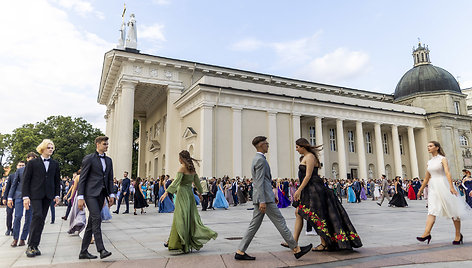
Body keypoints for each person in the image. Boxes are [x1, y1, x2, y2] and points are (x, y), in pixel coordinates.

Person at [235, 136, 312, 261]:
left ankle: (240, 251)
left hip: (264, 197)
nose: (268, 145)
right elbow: (259, 182)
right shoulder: (260, 160)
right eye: (266, 143)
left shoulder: (258, 159)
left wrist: (271, 196)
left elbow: (263, 181)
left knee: (254, 225)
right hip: (264, 199)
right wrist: (263, 200)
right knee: (280, 222)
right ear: (260, 145)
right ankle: (296, 249)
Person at [287, 138, 361, 251]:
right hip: (309, 189)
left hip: (314, 189)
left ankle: (323, 243)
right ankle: (294, 242)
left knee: (317, 215)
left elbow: (308, 176)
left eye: (297, 147)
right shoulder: (307, 157)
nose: (296, 149)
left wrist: (299, 190)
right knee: (300, 213)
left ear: (303, 146)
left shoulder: (310, 157)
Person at [159, 150, 217, 253]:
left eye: (179, 157)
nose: (178, 159)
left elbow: (176, 182)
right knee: (188, 218)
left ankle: (179, 242)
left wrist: (166, 192)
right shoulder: (192, 169)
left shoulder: (182, 168)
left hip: (182, 194)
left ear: (181, 158)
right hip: (189, 195)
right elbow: (197, 184)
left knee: (180, 218)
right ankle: (173, 241)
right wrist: (200, 194)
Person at [417, 141, 470, 245]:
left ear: (437, 147)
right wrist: (420, 190)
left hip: (444, 185)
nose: (428, 148)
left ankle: (458, 235)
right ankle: (426, 233)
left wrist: (451, 187)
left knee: (453, 210)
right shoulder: (429, 162)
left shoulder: (443, 159)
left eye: (431, 146)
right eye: (427, 146)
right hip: (433, 187)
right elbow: (427, 178)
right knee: (431, 210)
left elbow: (447, 173)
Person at [77, 136, 115, 260]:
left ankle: (83, 251)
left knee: (91, 223)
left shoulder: (109, 160)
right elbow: (82, 179)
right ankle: (101, 249)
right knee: (97, 218)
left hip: (101, 194)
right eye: (104, 144)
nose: (106, 146)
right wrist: (80, 197)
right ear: (97, 144)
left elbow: (109, 179)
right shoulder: (89, 159)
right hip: (90, 194)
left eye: (107, 144)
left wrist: (111, 195)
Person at [22, 139, 61, 257]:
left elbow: (56, 180)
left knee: (41, 220)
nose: (51, 149)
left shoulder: (55, 164)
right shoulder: (32, 163)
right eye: (49, 147)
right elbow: (26, 180)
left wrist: (57, 195)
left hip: (48, 195)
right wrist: (25, 197)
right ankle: (30, 245)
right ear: (42, 149)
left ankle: (35, 245)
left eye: (52, 148)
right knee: (37, 216)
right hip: (35, 195)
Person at [7, 159, 29, 247]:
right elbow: (14, 184)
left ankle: (23, 238)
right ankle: (15, 238)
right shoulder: (19, 171)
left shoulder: (36, 170)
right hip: (19, 196)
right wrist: (9, 197)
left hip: (31, 197)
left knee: (29, 218)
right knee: (17, 216)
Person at [3, 169, 15, 236]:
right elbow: (7, 188)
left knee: (18, 215)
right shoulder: (12, 176)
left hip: (19, 198)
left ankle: (15, 228)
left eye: (22, 165)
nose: (21, 167)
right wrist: (5, 198)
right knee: (9, 213)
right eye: (20, 165)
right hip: (11, 198)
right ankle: (9, 228)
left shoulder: (25, 174)